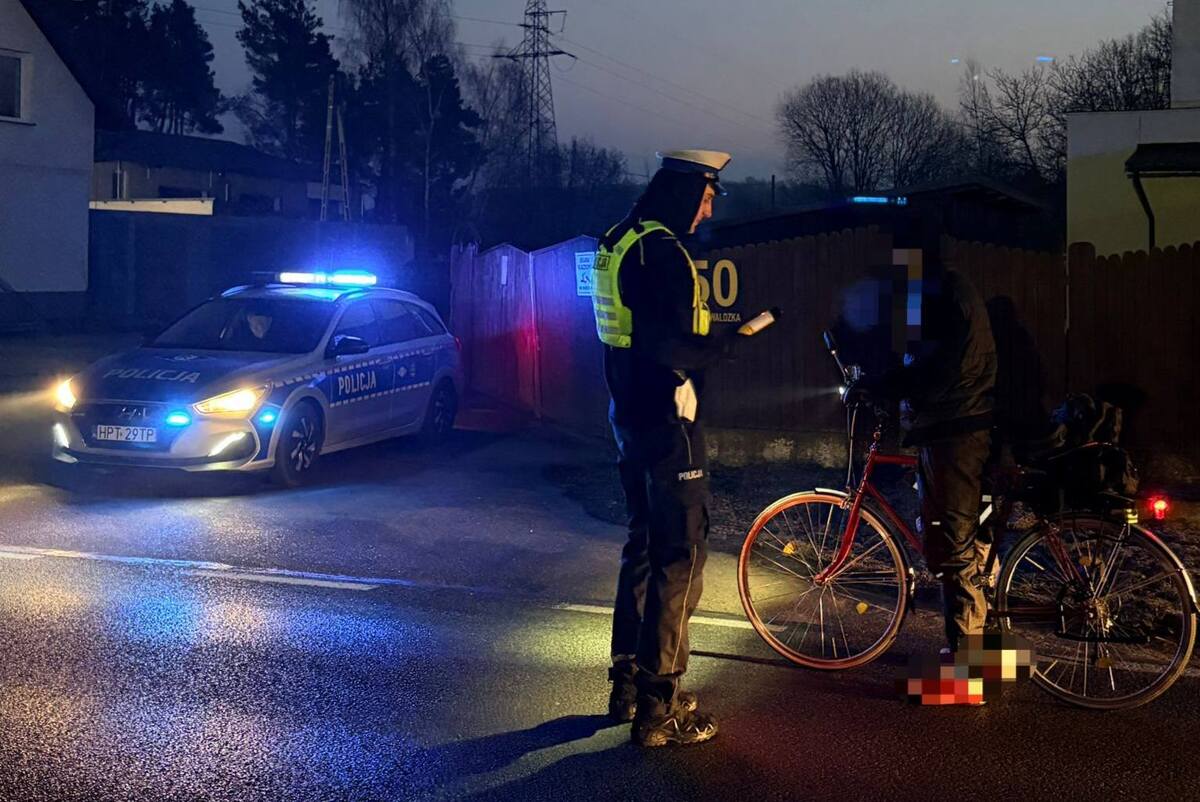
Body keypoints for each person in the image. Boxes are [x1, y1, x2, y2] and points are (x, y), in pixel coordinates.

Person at [593, 149, 754, 748]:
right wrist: (726, 345)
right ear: (685, 191)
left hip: (627, 416)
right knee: (679, 557)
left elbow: (631, 336)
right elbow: (670, 347)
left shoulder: (618, 240)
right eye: (706, 197)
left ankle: (626, 685)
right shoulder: (663, 252)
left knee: (640, 546)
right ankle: (660, 706)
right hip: (669, 424)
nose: (708, 210)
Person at [852, 260, 997, 656]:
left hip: (954, 431)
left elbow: (933, 373)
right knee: (962, 539)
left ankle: (970, 662)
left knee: (955, 545)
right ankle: (982, 637)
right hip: (956, 426)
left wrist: (881, 387)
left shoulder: (943, 296)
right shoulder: (950, 289)